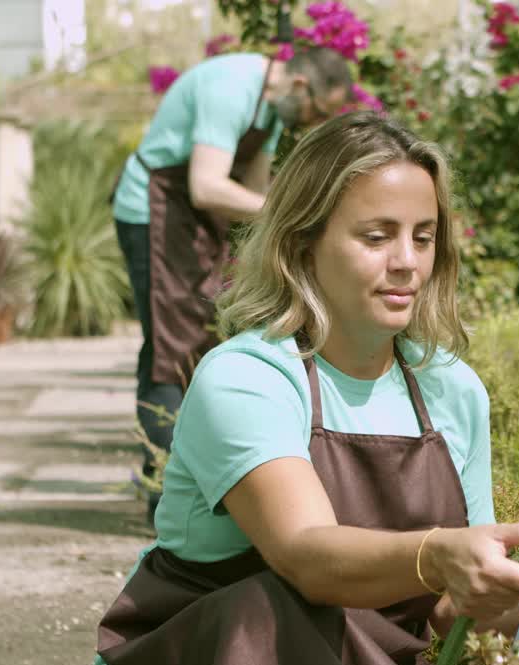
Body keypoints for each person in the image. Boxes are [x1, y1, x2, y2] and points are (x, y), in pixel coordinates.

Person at [84, 112, 519, 665]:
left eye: (424, 236)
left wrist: (493, 600)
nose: (407, 262)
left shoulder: (451, 390)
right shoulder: (248, 377)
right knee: (262, 611)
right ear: (304, 242)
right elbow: (308, 557)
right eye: (377, 237)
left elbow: (451, 613)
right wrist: (438, 555)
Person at [111, 47, 353, 522]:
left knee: (199, 339)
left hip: (191, 217)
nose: (312, 123)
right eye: (317, 112)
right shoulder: (232, 87)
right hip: (153, 212)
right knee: (169, 347)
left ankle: (190, 478)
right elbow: (208, 186)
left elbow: (252, 193)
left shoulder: (274, 106)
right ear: (301, 87)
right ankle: (165, 489)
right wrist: (293, 216)